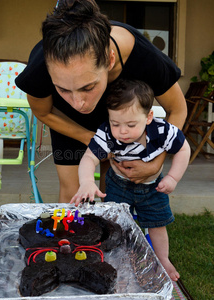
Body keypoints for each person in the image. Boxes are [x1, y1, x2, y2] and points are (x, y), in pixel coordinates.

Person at [15, 0, 187, 203]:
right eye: (63, 89)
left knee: (113, 190)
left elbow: (177, 109)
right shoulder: (39, 67)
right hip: (67, 121)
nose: (79, 103)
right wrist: (87, 136)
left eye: (87, 87)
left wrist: (155, 161)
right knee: (73, 192)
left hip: (120, 119)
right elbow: (43, 112)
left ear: (110, 60)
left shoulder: (143, 57)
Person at [70, 79, 191, 281]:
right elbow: (89, 157)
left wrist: (172, 177)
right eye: (116, 123)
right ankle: (113, 258)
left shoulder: (163, 131)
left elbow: (183, 149)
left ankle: (163, 260)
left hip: (153, 188)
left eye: (131, 124)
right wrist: (87, 182)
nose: (122, 131)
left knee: (157, 224)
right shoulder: (108, 133)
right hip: (118, 185)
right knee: (114, 224)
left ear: (148, 117)